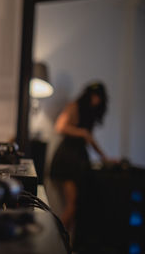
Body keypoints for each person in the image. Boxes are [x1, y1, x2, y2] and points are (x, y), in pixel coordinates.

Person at [50, 82, 110, 230]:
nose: (96, 100)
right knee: (72, 205)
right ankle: (56, 241)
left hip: (79, 158)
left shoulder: (90, 114)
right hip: (68, 158)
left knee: (78, 205)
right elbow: (60, 127)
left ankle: (66, 243)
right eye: (95, 96)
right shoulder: (74, 106)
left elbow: (90, 139)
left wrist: (105, 157)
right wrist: (81, 132)